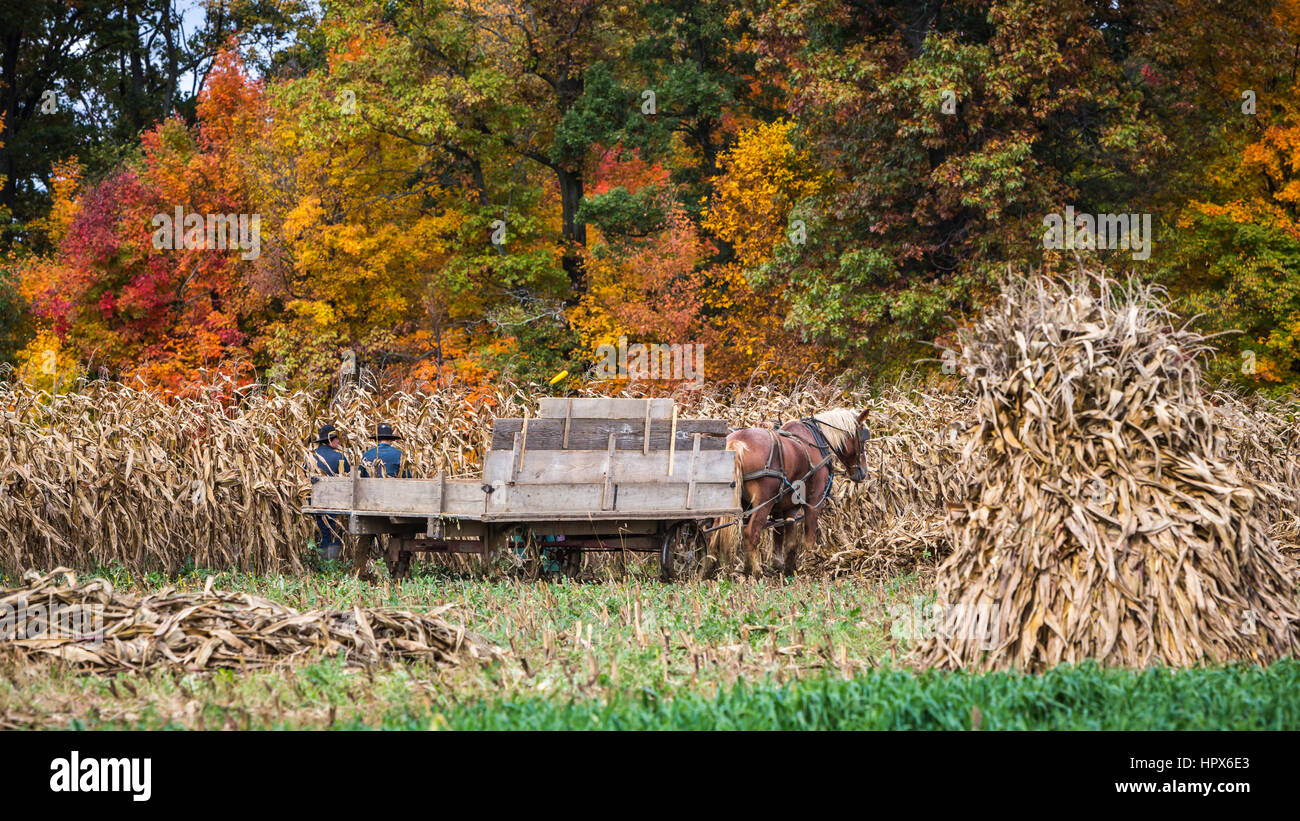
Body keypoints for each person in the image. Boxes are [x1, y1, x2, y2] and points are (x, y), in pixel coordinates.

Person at [305, 424, 350, 560]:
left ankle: (320, 560)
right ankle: (332, 561)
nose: (338, 441)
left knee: (320, 530)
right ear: (330, 440)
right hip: (335, 503)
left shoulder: (310, 457)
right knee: (335, 531)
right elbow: (347, 478)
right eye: (336, 439)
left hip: (314, 502)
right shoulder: (339, 457)